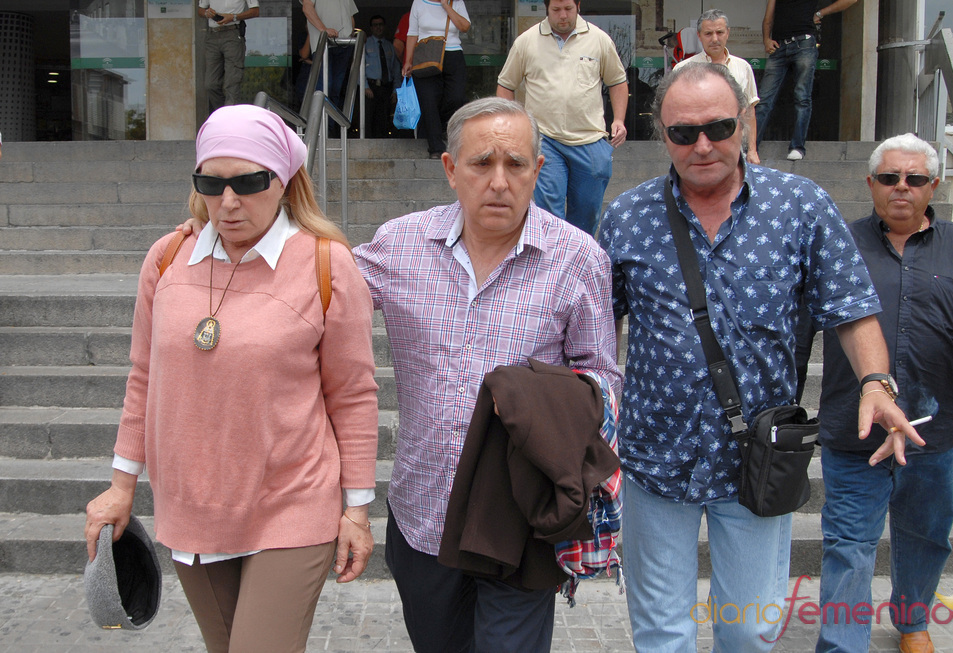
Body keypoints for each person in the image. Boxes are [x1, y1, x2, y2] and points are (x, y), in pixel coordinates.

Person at [598, 62, 919, 652]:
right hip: (653, 458)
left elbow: (849, 306)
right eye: (682, 132)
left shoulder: (800, 205)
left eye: (719, 127)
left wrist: (877, 382)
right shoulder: (627, 217)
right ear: (659, 134)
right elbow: (594, 327)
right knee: (659, 631)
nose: (702, 145)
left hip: (759, 459)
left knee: (749, 629)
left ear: (746, 120)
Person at [85, 104, 379, 652]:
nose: (229, 202)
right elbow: (144, 377)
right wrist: (121, 485)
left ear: (285, 181)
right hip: (191, 506)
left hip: (291, 503)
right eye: (211, 183)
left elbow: (354, 396)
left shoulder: (326, 264)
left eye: (248, 181)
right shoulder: (167, 258)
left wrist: (357, 510)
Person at [354, 97, 622, 652]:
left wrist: (540, 401)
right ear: (451, 170)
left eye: (516, 164)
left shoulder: (578, 257)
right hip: (423, 510)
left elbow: (603, 378)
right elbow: (315, 287)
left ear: (538, 172)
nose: (499, 181)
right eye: (481, 164)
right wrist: (219, 225)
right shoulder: (399, 244)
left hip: (520, 516)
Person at [806, 134, 953, 653]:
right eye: (889, 178)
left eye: (915, 179)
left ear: (934, 187)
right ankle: (842, 644)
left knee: (926, 535)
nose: (901, 188)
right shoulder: (839, 243)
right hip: (856, 426)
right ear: (871, 184)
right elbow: (798, 327)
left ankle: (911, 620)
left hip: (933, 426)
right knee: (848, 542)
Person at [497, 0, 628, 237]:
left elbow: (617, 81)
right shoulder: (526, 41)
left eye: (568, 8)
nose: (563, 15)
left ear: (578, 5)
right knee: (548, 211)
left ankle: (578, 261)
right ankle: (552, 264)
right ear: (547, 9)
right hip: (545, 139)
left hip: (590, 138)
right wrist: (513, 124)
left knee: (587, 212)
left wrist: (618, 119)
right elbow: (506, 85)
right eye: (556, 10)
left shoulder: (599, 39)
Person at [754, 0, 857, 161]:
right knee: (763, 101)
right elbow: (768, 17)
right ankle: (752, 148)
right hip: (779, 45)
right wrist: (766, 39)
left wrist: (821, 13)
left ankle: (797, 146)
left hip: (804, 42)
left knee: (802, 97)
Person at [674, 9, 760, 164]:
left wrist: (752, 150)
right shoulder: (682, 69)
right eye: (708, 34)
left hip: (733, 148)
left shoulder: (743, 67)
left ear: (728, 33)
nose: (714, 39)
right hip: (694, 147)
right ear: (699, 36)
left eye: (719, 32)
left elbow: (749, 112)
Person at [401, 0, 471, 158]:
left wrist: (446, 6)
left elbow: (465, 27)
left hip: (453, 55)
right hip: (426, 55)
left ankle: (443, 127)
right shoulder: (419, 3)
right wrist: (408, 61)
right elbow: (412, 33)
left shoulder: (456, 2)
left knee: (456, 97)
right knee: (428, 101)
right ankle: (436, 147)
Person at [198, 0, 260, 113]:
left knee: (232, 83)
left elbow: (255, 11)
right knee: (210, 84)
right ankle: (223, 115)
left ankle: (230, 120)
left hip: (233, 33)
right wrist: (207, 13)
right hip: (212, 34)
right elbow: (200, 10)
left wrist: (233, 17)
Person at [302, 0, 358, 121]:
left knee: (336, 89)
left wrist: (350, 36)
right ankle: (320, 128)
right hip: (323, 44)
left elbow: (350, 16)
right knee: (324, 87)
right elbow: (307, 8)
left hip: (344, 45)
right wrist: (324, 29)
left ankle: (330, 129)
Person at [364, 15, 399, 138]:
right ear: (371, 28)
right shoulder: (365, 44)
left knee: (384, 118)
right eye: (375, 25)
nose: (378, 27)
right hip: (370, 87)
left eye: (380, 24)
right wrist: (365, 86)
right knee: (368, 118)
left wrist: (395, 90)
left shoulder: (390, 46)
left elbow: (396, 69)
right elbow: (358, 66)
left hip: (386, 88)